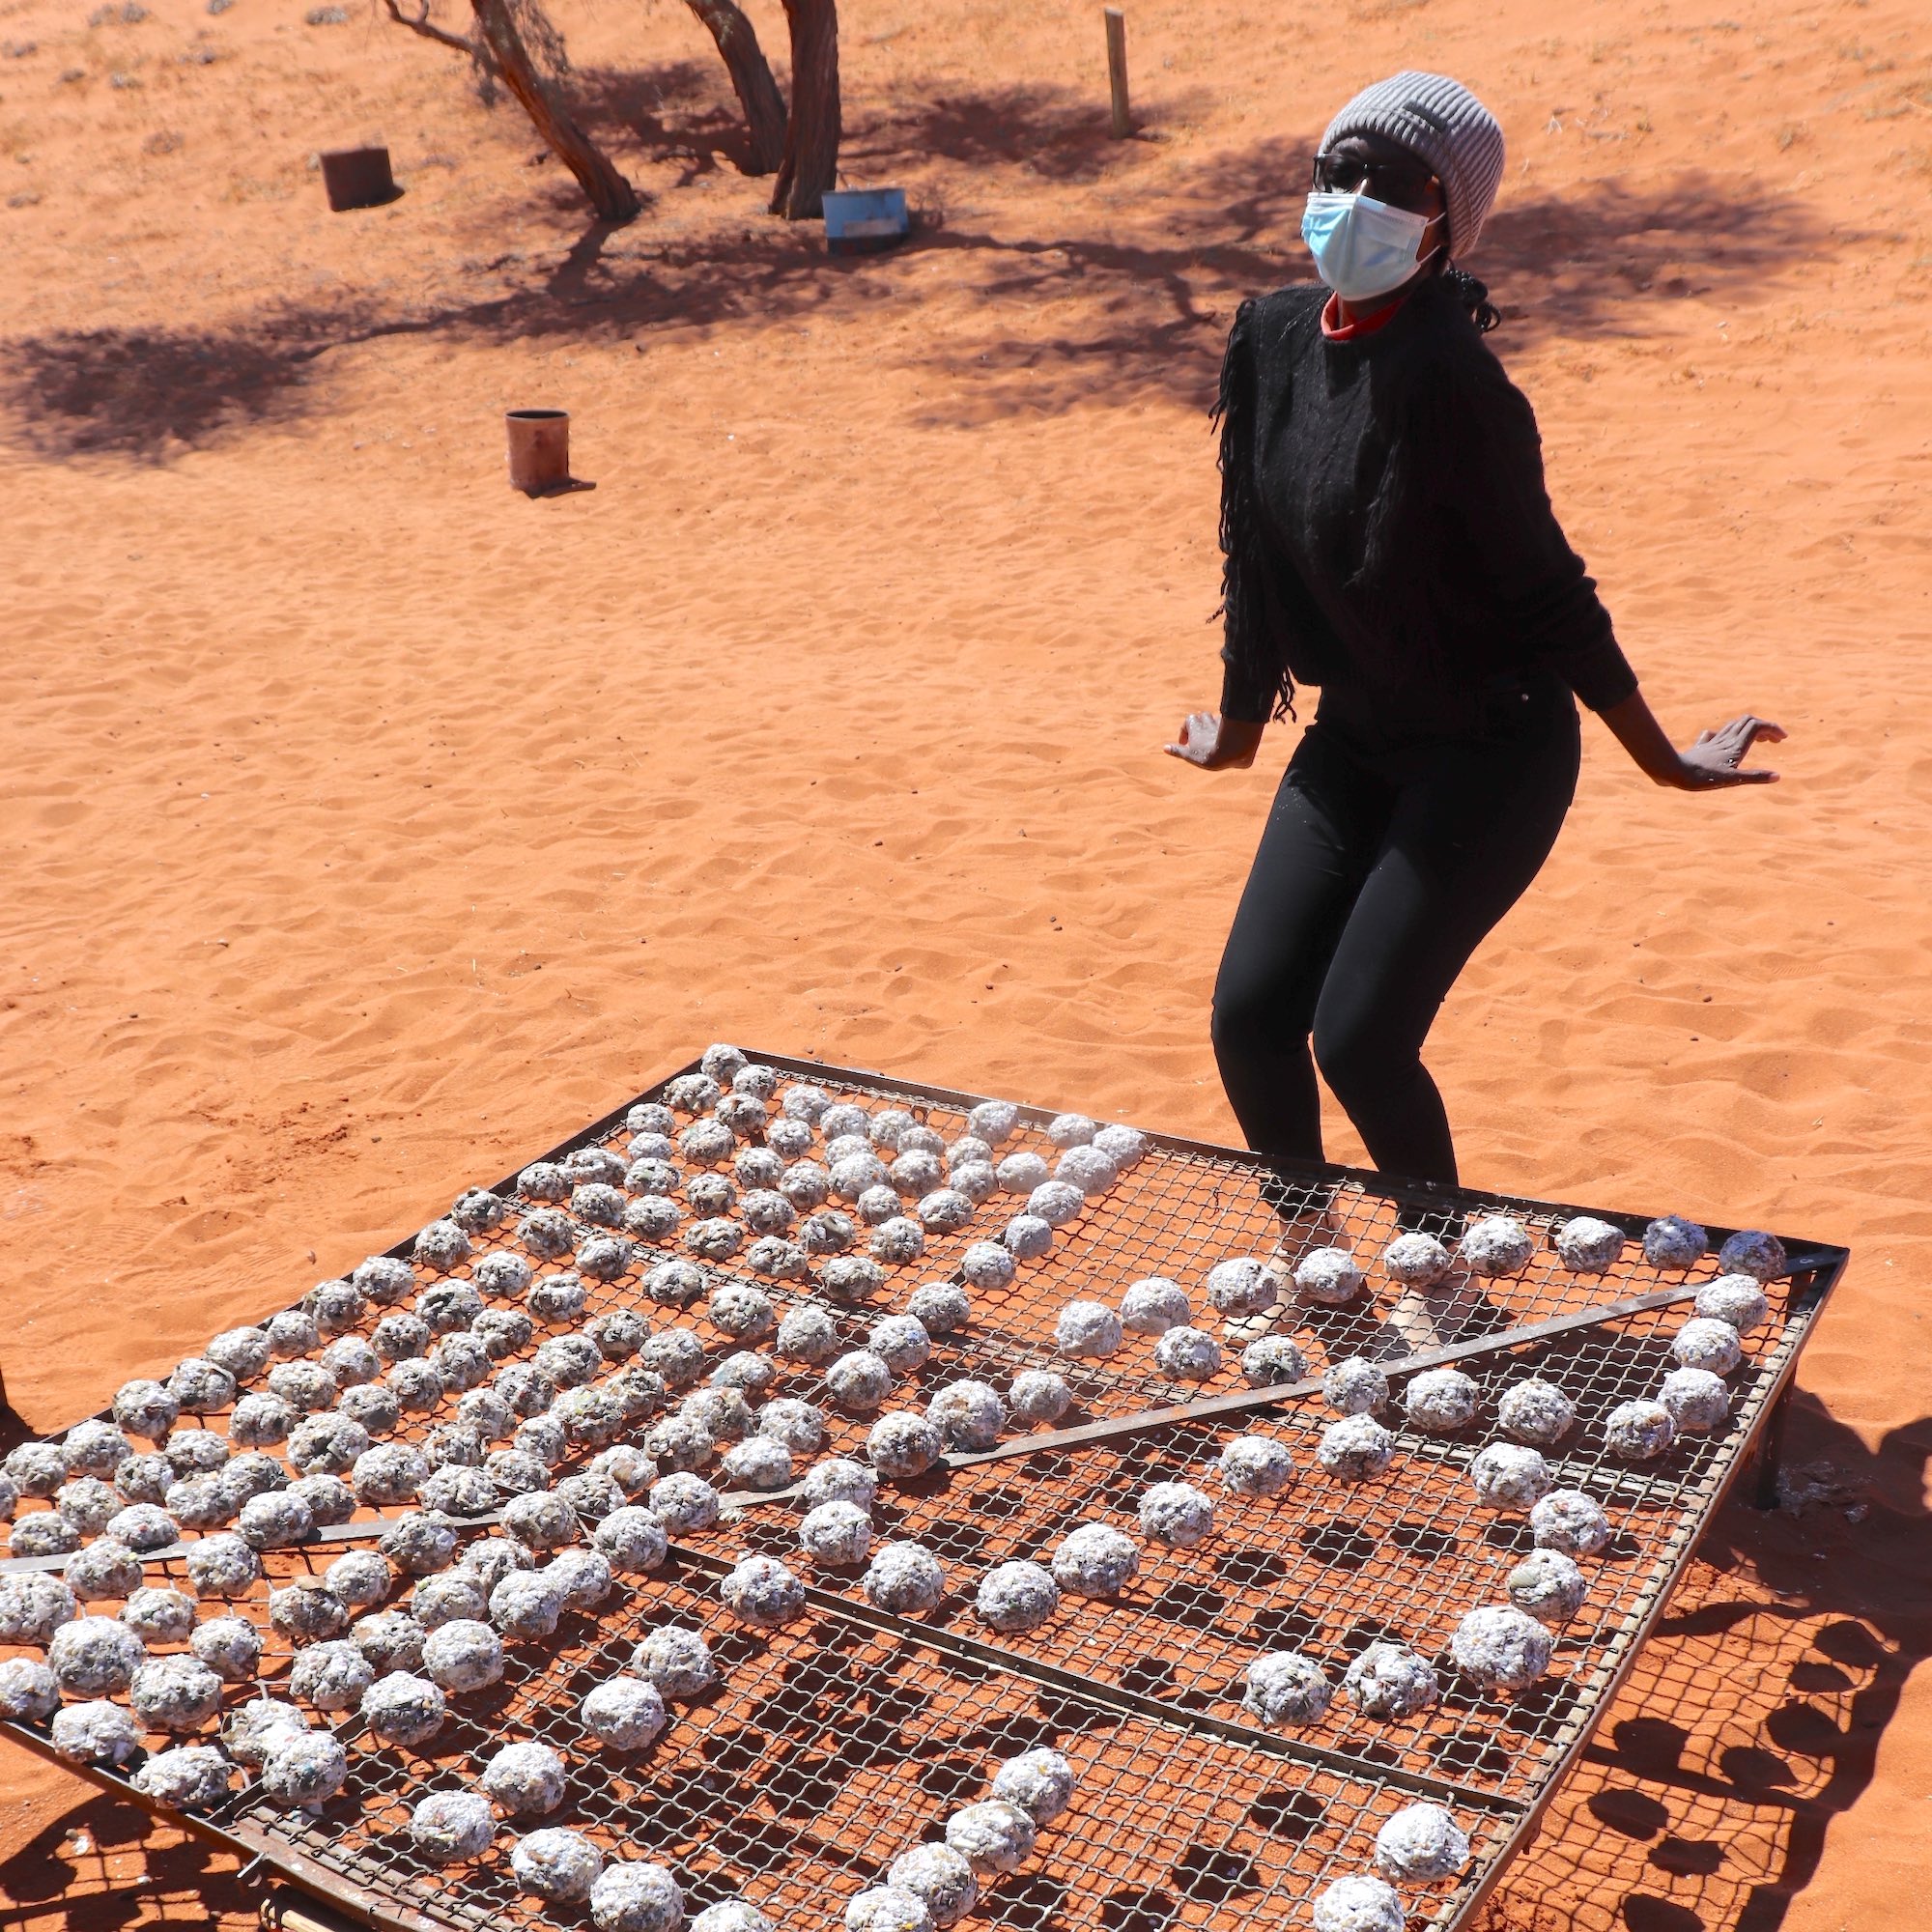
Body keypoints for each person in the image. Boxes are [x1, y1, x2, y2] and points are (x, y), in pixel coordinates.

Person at [1167, 71, 1783, 1208]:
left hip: (1489, 753)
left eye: (1391, 183)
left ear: (1446, 218)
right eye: (1335, 172)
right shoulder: (1270, 337)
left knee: (1356, 1040)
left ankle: (1441, 1285)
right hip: (1353, 742)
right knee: (1249, 1018)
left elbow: (1551, 594)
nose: (1353, 200)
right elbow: (1251, 553)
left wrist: (1660, 759)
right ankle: (1312, 1266)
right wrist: (1243, 733)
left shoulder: (1454, 382)